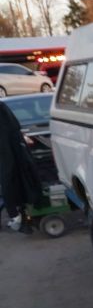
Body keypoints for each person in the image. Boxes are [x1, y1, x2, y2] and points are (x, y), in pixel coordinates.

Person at [0, 100, 43, 233]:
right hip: (13, 156)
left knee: (10, 185)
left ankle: (20, 217)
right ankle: (21, 217)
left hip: (9, 158)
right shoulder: (4, 111)